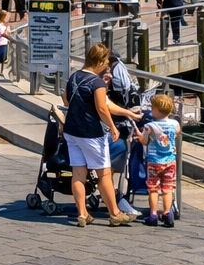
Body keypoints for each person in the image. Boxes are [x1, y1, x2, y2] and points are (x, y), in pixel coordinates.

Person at [62, 43, 135, 227]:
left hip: (72, 131)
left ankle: (82, 213)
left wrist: (128, 113)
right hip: (91, 133)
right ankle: (115, 213)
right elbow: (103, 107)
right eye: (106, 63)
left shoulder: (74, 77)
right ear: (101, 61)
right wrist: (112, 127)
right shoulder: (97, 82)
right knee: (104, 173)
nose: (107, 67)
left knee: (78, 173)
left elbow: (66, 98)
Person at [139, 92, 180, 227]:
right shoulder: (175, 123)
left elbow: (144, 141)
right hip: (170, 161)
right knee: (167, 188)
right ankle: (167, 213)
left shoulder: (149, 126)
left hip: (154, 161)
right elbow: (176, 134)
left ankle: (153, 214)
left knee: (153, 188)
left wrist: (139, 136)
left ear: (155, 110)